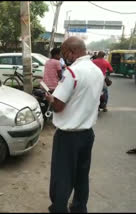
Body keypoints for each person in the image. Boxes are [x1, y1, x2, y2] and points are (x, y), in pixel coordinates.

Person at [45, 36, 104, 213]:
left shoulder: (72, 72)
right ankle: (79, 208)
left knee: (62, 176)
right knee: (81, 175)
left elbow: (58, 106)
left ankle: (59, 208)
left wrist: (50, 98)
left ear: (71, 52)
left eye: (64, 53)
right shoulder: (97, 72)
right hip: (87, 134)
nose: (64, 57)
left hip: (68, 136)